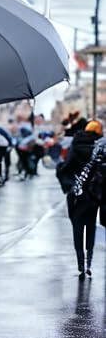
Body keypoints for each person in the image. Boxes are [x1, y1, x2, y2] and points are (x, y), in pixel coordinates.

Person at [57, 119, 105, 279]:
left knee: (77, 228)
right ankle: (89, 262)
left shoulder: (75, 145)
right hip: (93, 194)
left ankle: (80, 264)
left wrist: (67, 184)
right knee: (90, 226)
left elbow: (66, 168)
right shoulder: (100, 148)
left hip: (76, 194)